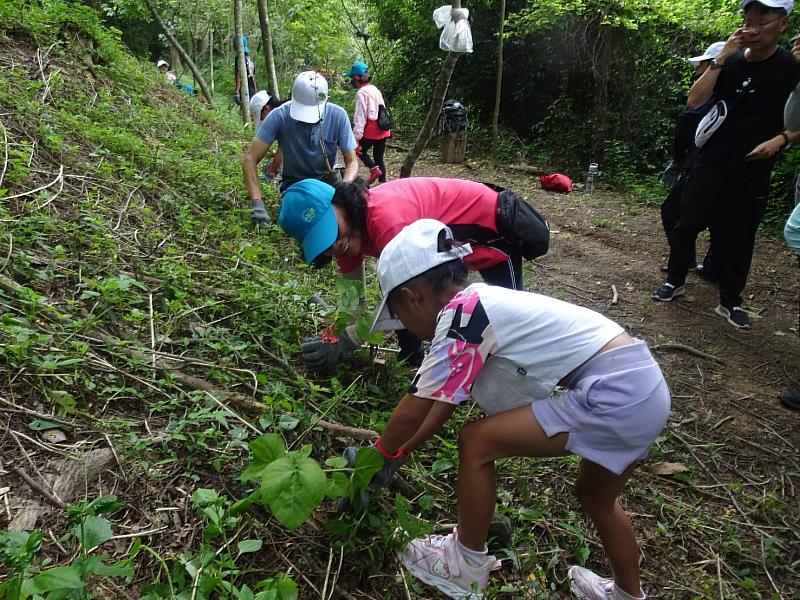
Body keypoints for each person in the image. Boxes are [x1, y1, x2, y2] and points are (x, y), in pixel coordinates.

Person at [346, 219, 669, 600]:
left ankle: (464, 564)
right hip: (645, 385)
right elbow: (441, 404)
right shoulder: (483, 304)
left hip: (615, 390)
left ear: (414, 296)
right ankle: (628, 594)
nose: (406, 327)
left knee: (477, 442)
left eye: (399, 314)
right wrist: (399, 452)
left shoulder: (464, 313)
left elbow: (415, 407)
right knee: (596, 498)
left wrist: (378, 457)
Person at [277, 177, 550, 368]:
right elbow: (353, 300)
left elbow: (414, 297)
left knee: (508, 319)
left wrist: (347, 340)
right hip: (450, 250)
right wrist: (334, 331)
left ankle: (533, 369)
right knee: (402, 292)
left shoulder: (387, 222)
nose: (335, 243)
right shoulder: (350, 236)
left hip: (493, 236)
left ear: (341, 203)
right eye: (323, 241)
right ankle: (411, 358)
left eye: (332, 228)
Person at [652, 0, 800, 330]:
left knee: (739, 234)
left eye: (763, 21)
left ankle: (731, 300)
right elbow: (695, 100)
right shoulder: (730, 61)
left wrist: (781, 139)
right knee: (685, 223)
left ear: (783, 24)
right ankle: (675, 280)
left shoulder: (790, 67)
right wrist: (721, 57)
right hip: (711, 161)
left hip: (753, 167)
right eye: (748, 21)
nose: (753, 28)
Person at [241, 71, 359, 227]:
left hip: (328, 183)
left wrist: (345, 186)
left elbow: (352, 162)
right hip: (295, 186)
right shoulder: (279, 116)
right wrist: (256, 203)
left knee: (358, 200)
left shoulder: (338, 115)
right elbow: (250, 159)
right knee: (303, 219)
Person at [659, 41, 725, 280]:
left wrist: (678, 160)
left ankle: (686, 262)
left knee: (674, 211)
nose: (697, 71)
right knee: (717, 219)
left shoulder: (708, 94)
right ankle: (711, 268)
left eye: (702, 65)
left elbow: (686, 124)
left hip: (698, 165)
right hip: (713, 165)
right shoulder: (727, 94)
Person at [345, 61, 391, 185]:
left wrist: (356, 138)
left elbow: (360, 117)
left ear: (356, 78)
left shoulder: (361, 93)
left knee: (357, 150)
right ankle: (383, 182)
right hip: (383, 128)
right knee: (379, 157)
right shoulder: (374, 89)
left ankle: (373, 168)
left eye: (351, 78)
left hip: (371, 128)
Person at [248, 91, 284, 183]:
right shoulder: (283, 111)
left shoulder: (284, 115)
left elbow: (284, 148)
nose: (263, 121)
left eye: (262, 118)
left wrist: (271, 172)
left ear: (266, 108)